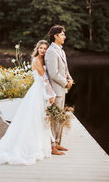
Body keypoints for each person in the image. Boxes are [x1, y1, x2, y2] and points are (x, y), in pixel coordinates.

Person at [0, 40, 56, 165]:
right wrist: (52, 94)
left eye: (45, 48)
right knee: (34, 117)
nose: (43, 50)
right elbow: (44, 79)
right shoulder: (36, 60)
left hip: (40, 91)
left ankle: (40, 144)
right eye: (41, 48)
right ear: (37, 49)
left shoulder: (43, 60)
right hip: (38, 91)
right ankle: (33, 145)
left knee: (38, 117)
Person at [45, 25, 73, 156]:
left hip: (62, 90)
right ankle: (51, 146)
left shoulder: (61, 51)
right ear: (55, 36)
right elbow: (53, 73)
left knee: (60, 117)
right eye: (62, 34)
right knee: (54, 118)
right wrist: (65, 82)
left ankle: (56, 142)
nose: (64, 36)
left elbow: (65, 70)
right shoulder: (51, 51)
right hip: (55, 91)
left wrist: (70, 79)